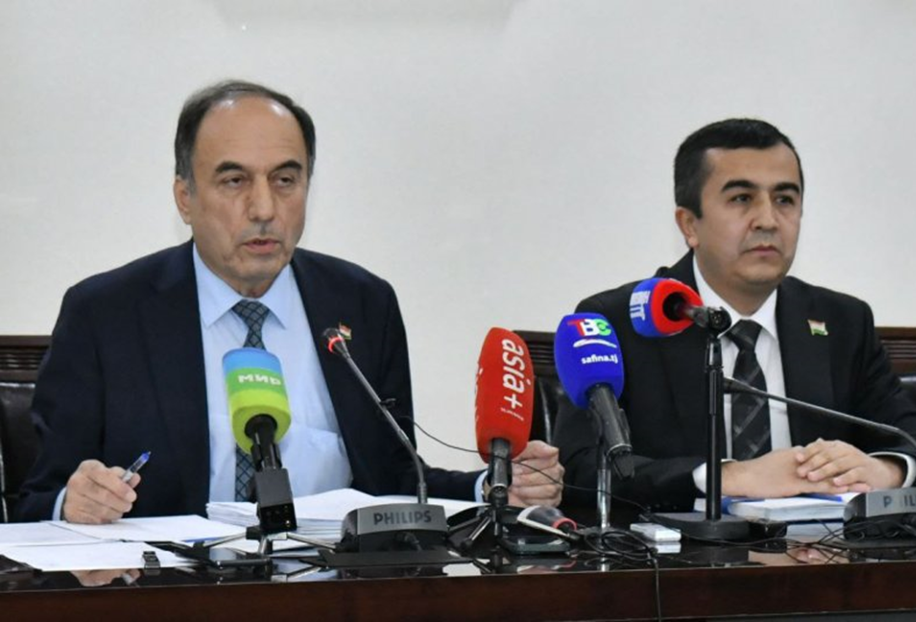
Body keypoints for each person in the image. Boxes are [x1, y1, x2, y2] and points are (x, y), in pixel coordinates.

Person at [16, 80, 563, 524]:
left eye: (285, 180)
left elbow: (395, 480)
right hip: (172, 596)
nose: (263, 208)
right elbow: (34, 501)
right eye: (234, 180)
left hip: (332, 591)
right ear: (185, 197)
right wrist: (75, 502)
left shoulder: (362, 304)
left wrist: (492, 486)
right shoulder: (106, 315)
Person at [555, 118, 916, 511]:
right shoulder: (619, 322)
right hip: (683, 550)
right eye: (741, 199)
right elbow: (581, 469)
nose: (767, 220)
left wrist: (889, 470)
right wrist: (727, 477)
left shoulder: (843, 322)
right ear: (689, 224)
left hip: (823, 545)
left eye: (785, 200)